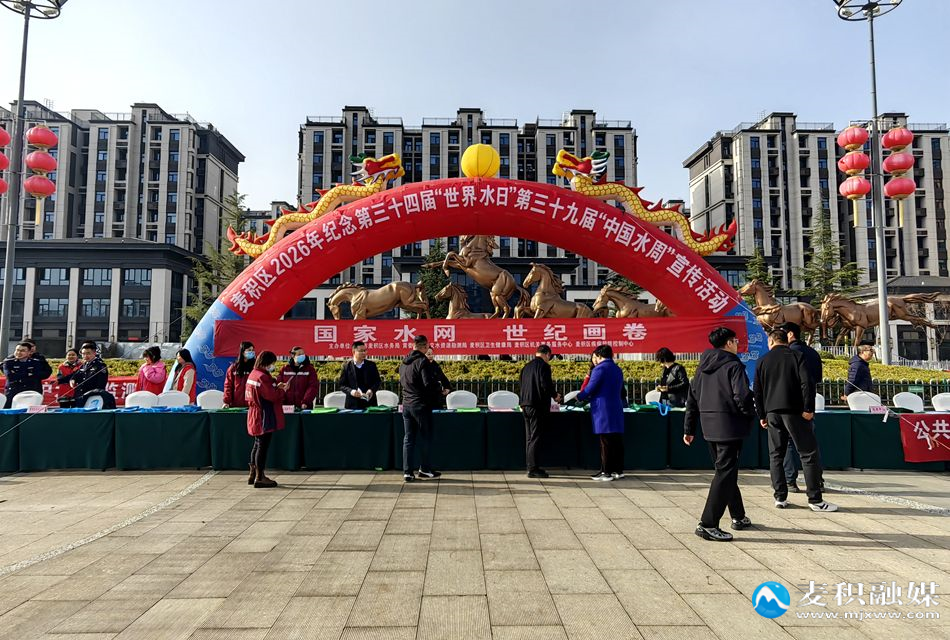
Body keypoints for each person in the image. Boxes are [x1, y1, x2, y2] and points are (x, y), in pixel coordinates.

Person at [754, 329, 837, 513]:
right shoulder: (797, 356)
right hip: (795, 411)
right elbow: (807, 383)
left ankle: (780, 497)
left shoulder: (762, 360)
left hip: (772, 413)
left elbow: (758, 391)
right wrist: (808, 408)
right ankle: (815, 499)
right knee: (808, 454)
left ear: (771, 341)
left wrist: (762, 415)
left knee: (776, 455)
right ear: (786, 340)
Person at [684, 326, 754, 542]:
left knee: (725, 471)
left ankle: (738, 516)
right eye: (735, 341)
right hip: (730, 426)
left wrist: (689, 428)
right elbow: (742, 396)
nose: (737, 345)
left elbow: (692, 398)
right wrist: (748, 414)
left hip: (709, 426)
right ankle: (708, 524)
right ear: (729, 343)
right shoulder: (733, 365)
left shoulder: (702, 367)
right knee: (725, 473)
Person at [780, 322, 823, 493]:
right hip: (809, 404)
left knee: (789, 443)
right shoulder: (812, 353)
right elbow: (816, 379)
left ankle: (790, 480)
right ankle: (817, 481)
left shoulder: (788, 354)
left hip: (789, 403)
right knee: (810, 445)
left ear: (790, 334)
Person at [399, 335, 445, 482]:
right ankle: (424, 469)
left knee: (408, 439)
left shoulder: (404, 362)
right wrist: (439, 389)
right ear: (424, 347)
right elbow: (428, 384)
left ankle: (407, 472)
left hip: (406, 404)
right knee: (426, 437)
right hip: (420, 405)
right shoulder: (422, 361)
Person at [576, 345, 625, 482]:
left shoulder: (599, 369)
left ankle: (606, 472)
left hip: (603, 409)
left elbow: (590, 388)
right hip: (616, 407)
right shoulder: (617, 369)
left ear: (598, 355)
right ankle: (618, 470)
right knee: (616, 440)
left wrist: (579, 397)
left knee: (605, 441)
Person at [245, 351, 289, 488]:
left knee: (257, 444)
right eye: (272, 363)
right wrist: (282, 390)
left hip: (255, 413)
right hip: (264, 414)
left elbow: (266, 390)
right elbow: (272, 396)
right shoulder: (262, 377)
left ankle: (253, 474)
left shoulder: (254, 374)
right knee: (262, 446)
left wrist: (276, 386)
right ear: (267, 363)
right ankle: (260, 477)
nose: (273, 366)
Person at [518, 344, 562, 478]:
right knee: (535, 437)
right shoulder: (544, 366)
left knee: (529, 437)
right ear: (547, 354)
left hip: (525, 405)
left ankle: (530, 466)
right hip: (537, 405)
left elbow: (521, 385)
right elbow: (545, 384)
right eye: (549, 357)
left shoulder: (526, 367)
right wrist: (555, 396)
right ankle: (533, 468)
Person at [2, 341, 53, 408]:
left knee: (30, 411)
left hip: (31, 392)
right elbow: (10, 376)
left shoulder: (36, 362)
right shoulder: (8, 362)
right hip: (13, 391)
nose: (19, 353)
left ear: (29, 352)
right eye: (17, 350)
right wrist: (29, 374)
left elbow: (41, 374)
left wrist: (18, 374)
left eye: (22, 351)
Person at [339, 341, 381, 410]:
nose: (364, 353)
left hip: (370, 403)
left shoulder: (371, 365)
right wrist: (351, 392)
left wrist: (371, 390)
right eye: (361, 351)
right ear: (353, 352)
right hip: (353, 404)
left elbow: (377, 381)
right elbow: (342, 385)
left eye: (365, 350)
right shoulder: (346, 366)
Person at [223, 341, 256, 408]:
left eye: (252, 350)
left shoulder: (255, 368)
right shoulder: (233, 368)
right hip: (236, 404)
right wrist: (227, 401)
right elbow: (228, 385)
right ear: (243, 352)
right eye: (249, 350)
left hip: (252, 405)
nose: (251, 352)